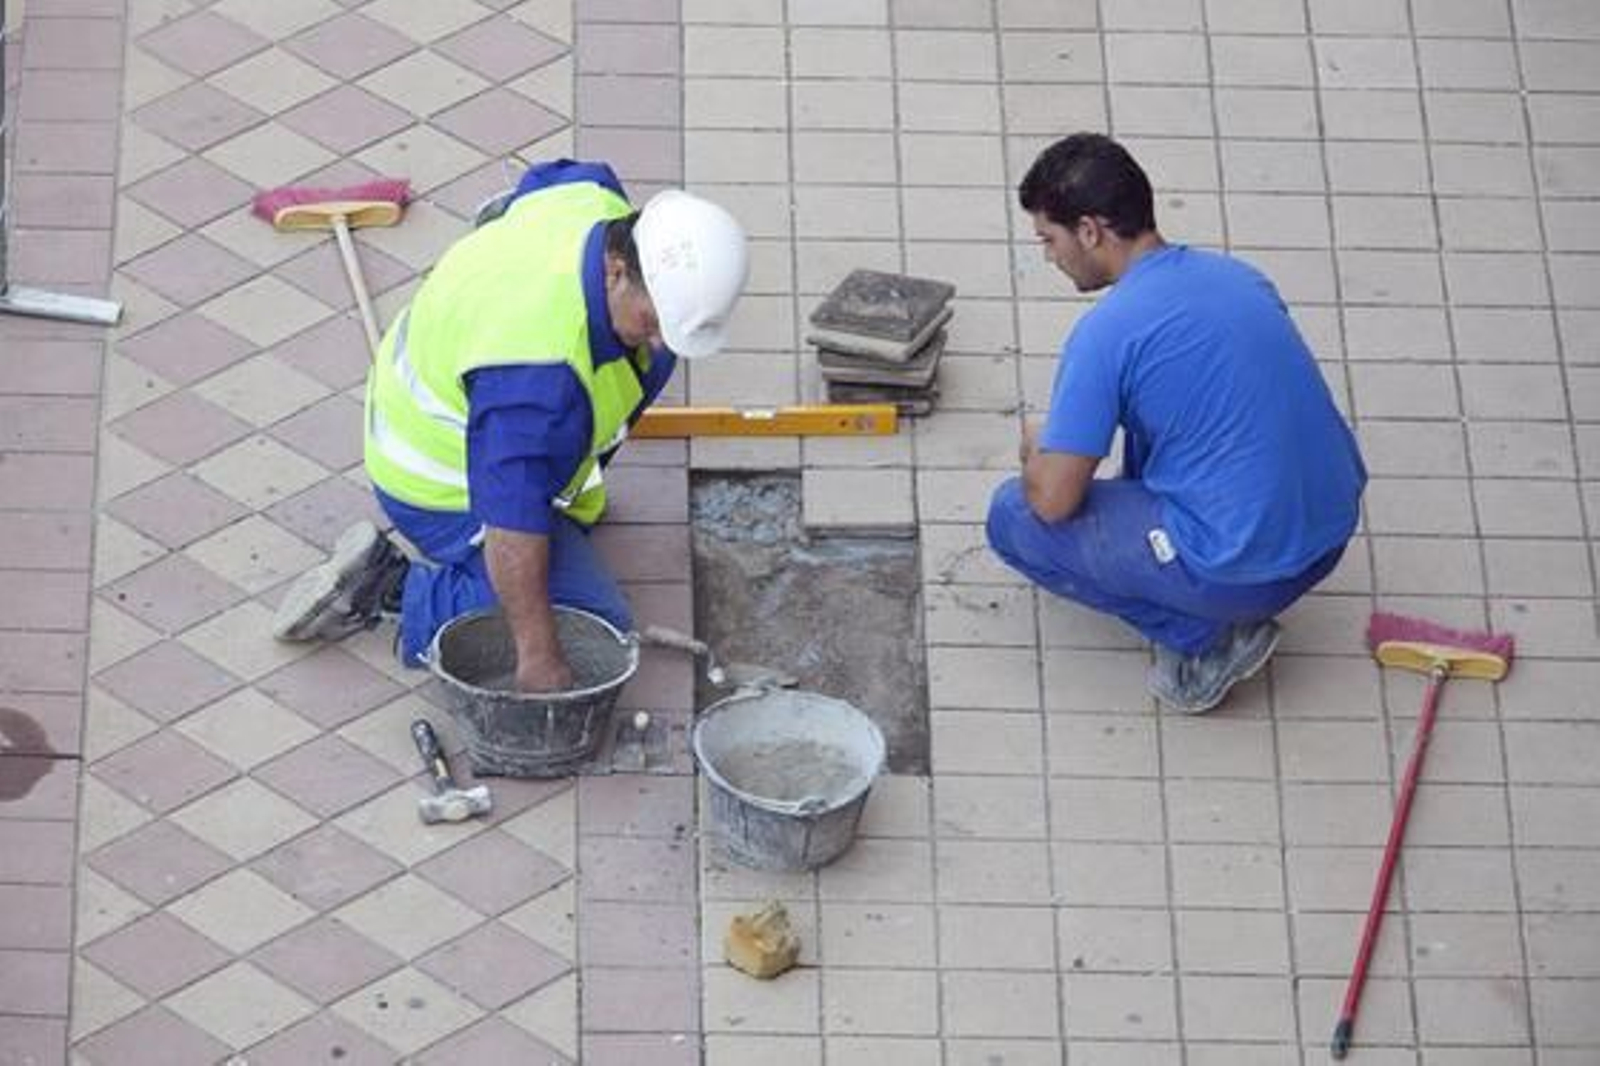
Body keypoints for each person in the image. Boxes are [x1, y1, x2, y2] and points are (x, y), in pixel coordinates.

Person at [272, 159, 749, 692]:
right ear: (616, 269)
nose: (660, 339)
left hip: (459, 387)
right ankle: (389, 588)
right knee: (591, 620)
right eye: (655, 320)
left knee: (649, 362)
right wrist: (539, 656)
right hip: (437, 479)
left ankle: (559, 502)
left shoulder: (594, 200)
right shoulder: (535, 380)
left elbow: (547, 178)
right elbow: (512, 528)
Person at [987, 133, 1366, 714]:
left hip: (1248, 569)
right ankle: (1209, 578)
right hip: (1330, 531)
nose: (1049, 256)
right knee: (1158, 420)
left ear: (1089, 231)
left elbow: (1053, 503)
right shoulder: (1239, 276)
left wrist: (1039, 449)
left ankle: (1210, 639)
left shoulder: (1107, 333)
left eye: (1049, 239)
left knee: (1013, 515)